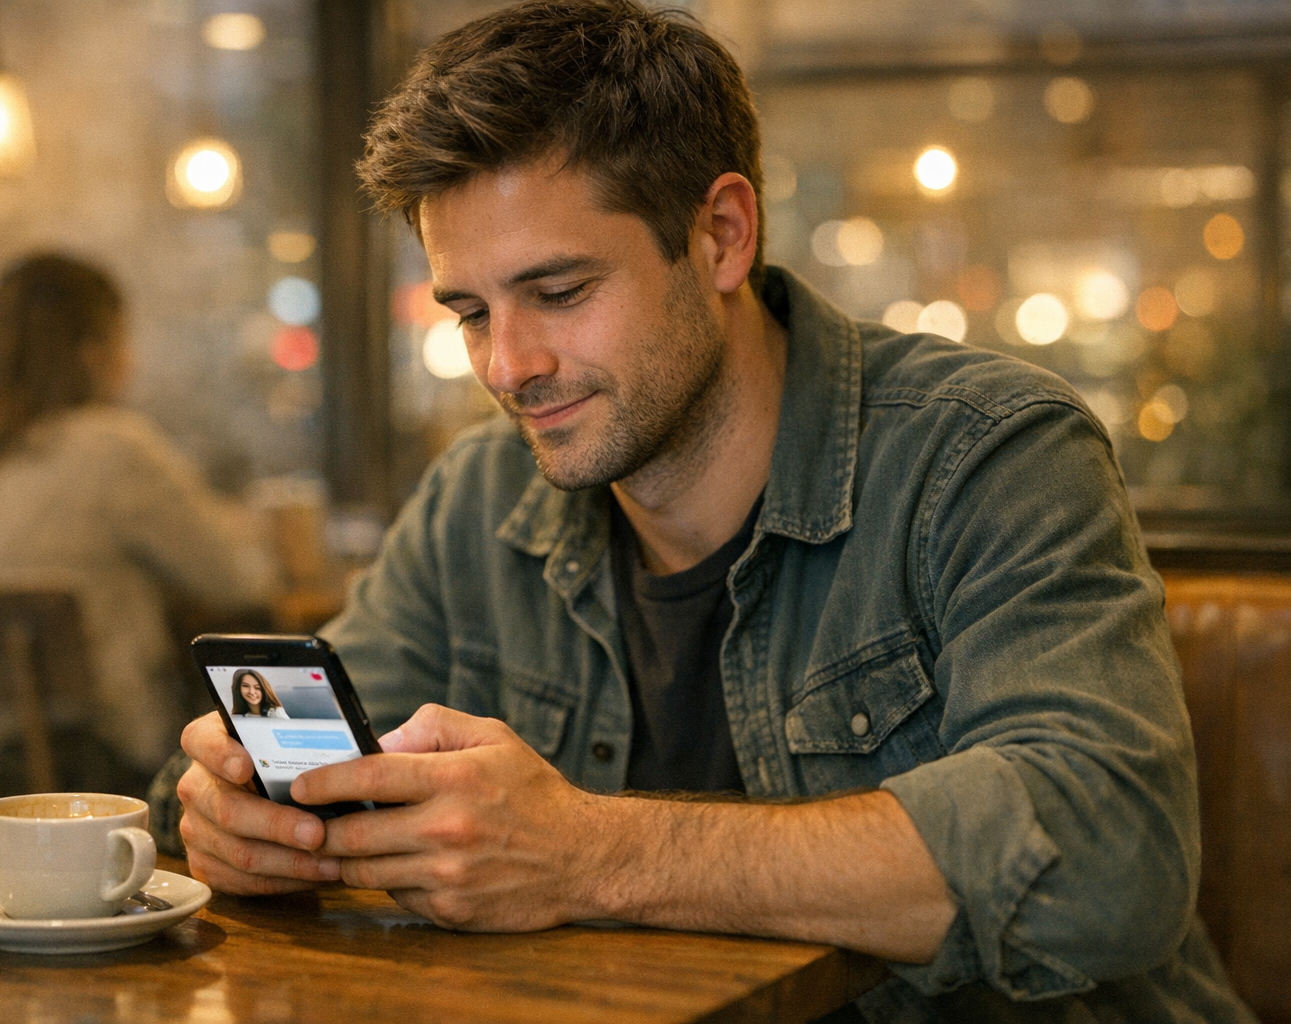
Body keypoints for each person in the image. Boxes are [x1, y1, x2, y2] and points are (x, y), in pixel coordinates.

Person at [160, 3, 1254, 1021]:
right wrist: (227, 815)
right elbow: (252, 772)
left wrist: (588, 852)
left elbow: (1113, 854)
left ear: (723, 234)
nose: (509, 365)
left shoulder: (985, 453)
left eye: (560, 292)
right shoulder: (478, 504)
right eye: (470, 311)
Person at [0, 253, 277, 771]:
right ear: (93, 353)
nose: (129, 361)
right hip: (66, 770)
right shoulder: (110, 448)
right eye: (123, 340)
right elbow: (240, 583)